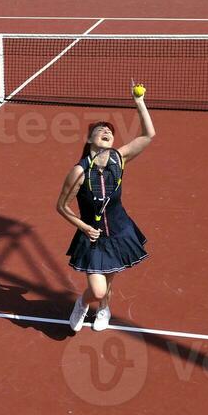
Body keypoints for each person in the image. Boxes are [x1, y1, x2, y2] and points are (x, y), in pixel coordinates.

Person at [56, 90, 155, 333]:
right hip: (94, 236)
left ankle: (104, 309)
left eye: (109, 131)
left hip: (120, 230)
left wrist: (139, 103)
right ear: (89, 140)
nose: (107, 132)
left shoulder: (118, 159)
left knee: (109, 279)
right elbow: (61, 206)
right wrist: (84, 227)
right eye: (100, 130)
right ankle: (83, 303)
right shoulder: (79, 172)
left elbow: (148, 134)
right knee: (98, 288)